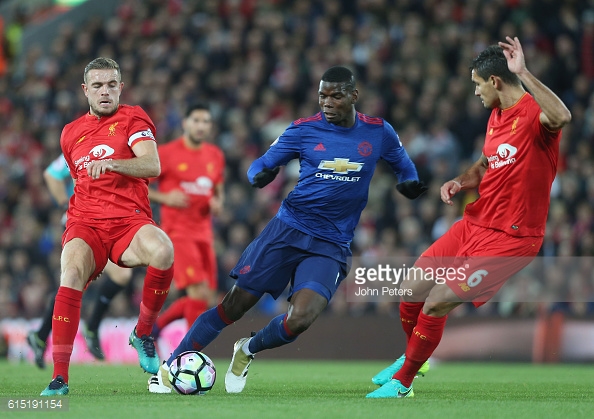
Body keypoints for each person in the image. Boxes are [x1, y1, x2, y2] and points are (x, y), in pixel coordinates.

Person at [148, 65, 427, 394]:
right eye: (322, 95)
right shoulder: (303, 130)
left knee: (300, 319)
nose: (326, 102)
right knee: (233, 306)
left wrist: (410, 183)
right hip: (287, 229)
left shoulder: (379, 132)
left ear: (354, 96)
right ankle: (170, 368)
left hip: (332, 242)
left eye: (335, 96)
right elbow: (262, 163)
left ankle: (247, 350)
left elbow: (405, 167)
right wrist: (259, 175)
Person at [367, 37, 571, 399]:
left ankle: (403, 384)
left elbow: (563, 116)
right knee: (411, 291)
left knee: (437, 302)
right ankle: (413, 358)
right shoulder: (496, 118)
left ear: (494, 82)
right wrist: (460, 181)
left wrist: (522, 72)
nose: (475, 92)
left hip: (512, 238)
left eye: (477, 84)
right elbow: (487, 163)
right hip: (473, 225)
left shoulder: (534, 115)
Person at [40, 57, 175, 396]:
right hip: (85, 223)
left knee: (163, 250)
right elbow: (75, 179)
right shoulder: (70, 133)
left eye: (111, 84)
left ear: (120, 88)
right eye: (97, 85)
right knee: (69, 276)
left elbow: (152, 165)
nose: (105, 91)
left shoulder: (133, 117)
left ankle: (142, 333)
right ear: (85, 91)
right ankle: (59, 378)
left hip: (129, 220)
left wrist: (113, 163)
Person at [27, 154, 133, 368]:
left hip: (105, 223)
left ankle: (42, 334)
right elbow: (52, 174)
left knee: (83, 282)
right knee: (80, 282)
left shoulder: (117, 143)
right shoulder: (79, 145)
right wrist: (67, 206)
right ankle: (88, 328)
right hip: (81, 222)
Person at [148, 103, 224, 337]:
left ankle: (153, 330)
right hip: (178, 232)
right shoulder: (167, 153)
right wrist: (165, 197)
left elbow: (218, 188)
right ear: (185, 123)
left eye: (206, 122)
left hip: (204, 233)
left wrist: (218, 202)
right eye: (197, 120)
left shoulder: (215, 155)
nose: (201, 126)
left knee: (206, 298)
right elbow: (139, 186)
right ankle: (190, 354)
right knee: (197, 293)